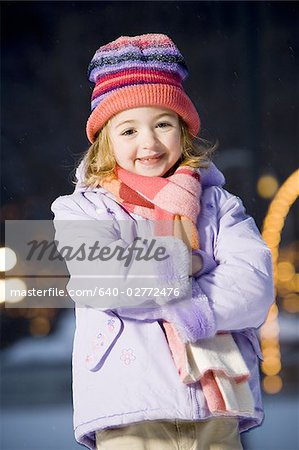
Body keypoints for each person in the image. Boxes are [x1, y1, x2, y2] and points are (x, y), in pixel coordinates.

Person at [51, 34, 274, 450]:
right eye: (129, 129)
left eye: (163, 124)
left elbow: (255, 288)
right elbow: (105, 281)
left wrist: (186, 307)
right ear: (106, 140)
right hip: (129, 407)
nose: (149, 142)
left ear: (184, 130)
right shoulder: (82, 210)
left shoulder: (219, 204)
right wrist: (182, 261)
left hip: (216, 407)